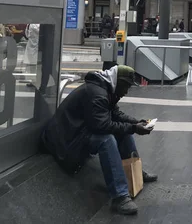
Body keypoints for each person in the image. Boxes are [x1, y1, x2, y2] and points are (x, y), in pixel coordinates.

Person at [41, 65, 157, 215]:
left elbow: (116, 114)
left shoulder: (106, 89)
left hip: (80, 131)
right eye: (126, 87)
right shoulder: (97, 94)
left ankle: (135, 171)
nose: (126, 92)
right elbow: (101, 126)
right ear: (118, 82)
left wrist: (135, 123)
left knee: (125, 131)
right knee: (106, 140)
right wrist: (134, 128)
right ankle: (120, 196)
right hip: (67, 140)